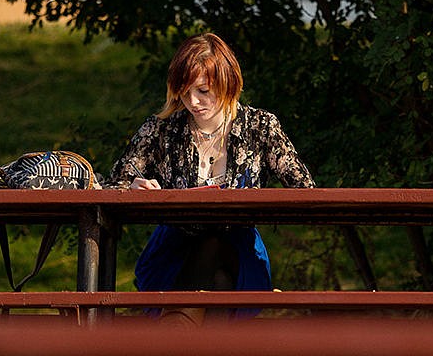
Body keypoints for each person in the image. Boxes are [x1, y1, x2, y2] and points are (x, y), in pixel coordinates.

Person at [108, 32, 315, 325]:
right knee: (217, 277)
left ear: (228, 82)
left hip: (240, 253)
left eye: (203, 91)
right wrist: (131, 186)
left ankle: (173, 332)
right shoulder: (161, 129)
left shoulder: (261, 127)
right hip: (174, 253)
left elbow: (304, 189)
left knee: (216, 243)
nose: (193, 101)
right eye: (184, 91)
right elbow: (111, 182)